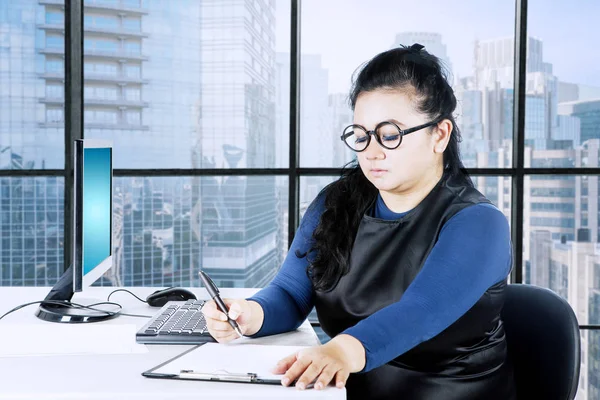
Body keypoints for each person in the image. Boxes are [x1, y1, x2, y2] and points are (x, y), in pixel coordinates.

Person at [201, 43, 517, 399]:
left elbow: (419, 311)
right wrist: (249, 314)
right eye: (362, 135)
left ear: (439, 134)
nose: (371, 150)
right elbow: (291, 293)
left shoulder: (479, 223)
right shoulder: (336, 203)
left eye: (390, 134)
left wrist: (339, 350)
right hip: (343, 393)